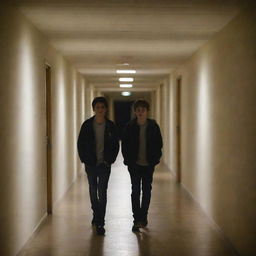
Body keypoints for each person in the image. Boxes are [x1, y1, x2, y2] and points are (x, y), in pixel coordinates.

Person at [77, 97, 119, 235]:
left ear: (106, 109)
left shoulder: (111, 126)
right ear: (94, 109)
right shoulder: (87, 125)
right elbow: (81, 144)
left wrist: (110, 160)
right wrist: (84, 159)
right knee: (93, 190)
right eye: (97, 107)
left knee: (102, 191)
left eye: (102, 107)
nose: (100, 109)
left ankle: (101, 221)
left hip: (104, 164)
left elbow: (115, 145)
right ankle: (96, 212)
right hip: (91, 164)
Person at [121, 99, 163, 232]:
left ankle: (143, 217)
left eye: (142, 110)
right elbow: (125, 145)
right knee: (135, 191)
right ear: (135, 111)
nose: (140, 112)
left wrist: (155, 160)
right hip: (134, 165)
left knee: (146, 191)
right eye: (138, 110)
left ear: (147, 111)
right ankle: (136, 219)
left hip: (148, 165)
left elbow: (159, 144)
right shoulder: (130, 126)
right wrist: (128, 161)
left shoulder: (153, 126)